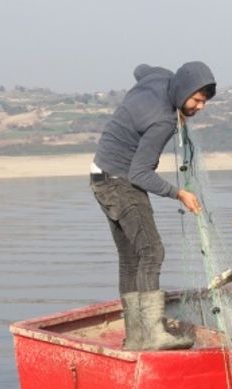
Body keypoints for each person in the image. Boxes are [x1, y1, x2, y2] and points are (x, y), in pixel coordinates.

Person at [91, 61, 216, 351]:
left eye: (204, 102)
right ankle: (154, 333)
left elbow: (139, 69)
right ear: (183, 90)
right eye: (196, 100)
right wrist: (178, 194)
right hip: (121, 181)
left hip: (98, 175)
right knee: (152, 251)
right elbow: (140, 173)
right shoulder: (163, 121)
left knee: (131, 259)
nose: (200, 108)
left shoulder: (160, 77)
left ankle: (136, 337)